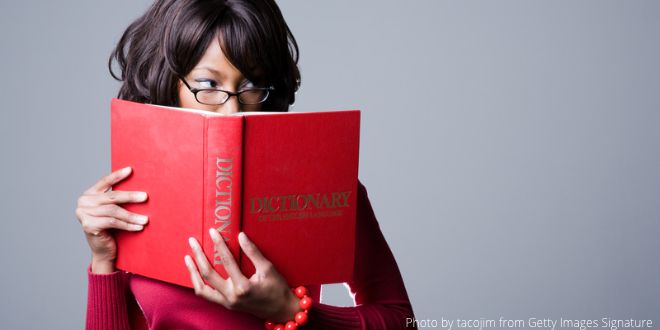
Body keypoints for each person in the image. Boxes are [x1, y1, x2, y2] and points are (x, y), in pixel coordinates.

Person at [75, 0, 416, 329]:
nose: (231, 110)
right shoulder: (132, 193)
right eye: (208, 85)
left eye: (251, 85)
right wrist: (102, 261)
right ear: (170, 82)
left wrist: (289, 311)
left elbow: (401, 320)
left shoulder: (323, 183)